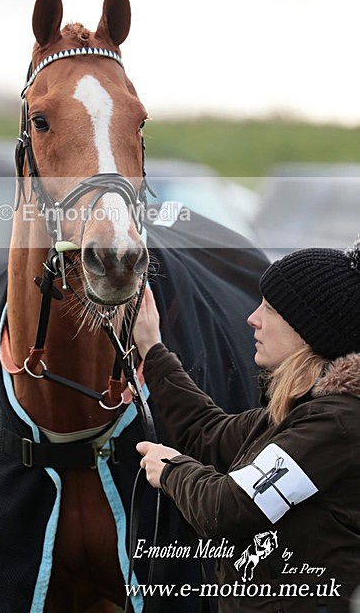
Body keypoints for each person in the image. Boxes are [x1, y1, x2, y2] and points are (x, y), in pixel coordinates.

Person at [134, 245, 360, 612]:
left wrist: (172, 469)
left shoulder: (336, 422)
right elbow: (207, 433)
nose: (253, 318)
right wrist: (152, 349)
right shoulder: (303, 413)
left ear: (309, 331)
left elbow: (229, 508)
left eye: (270, 309)